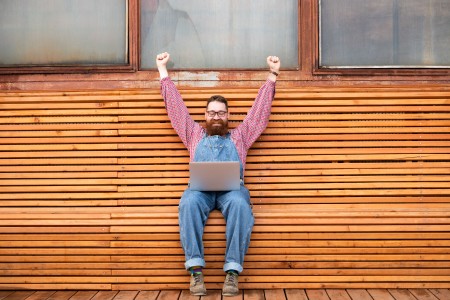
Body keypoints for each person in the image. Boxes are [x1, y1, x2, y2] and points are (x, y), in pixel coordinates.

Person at [156, 52, 280, 296]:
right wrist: (162, 71)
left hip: (231, 192)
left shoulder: (241, 136)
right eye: (212, 113)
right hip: (200, 192)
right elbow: (176, 108)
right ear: (205, 116)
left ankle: (232, 273)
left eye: (221, 113)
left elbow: (259, 113)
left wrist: (273, 75)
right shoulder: (193, 134)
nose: (216, 117)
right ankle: (195, 272)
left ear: (228, 116)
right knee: (188, 202)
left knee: (241, 205)